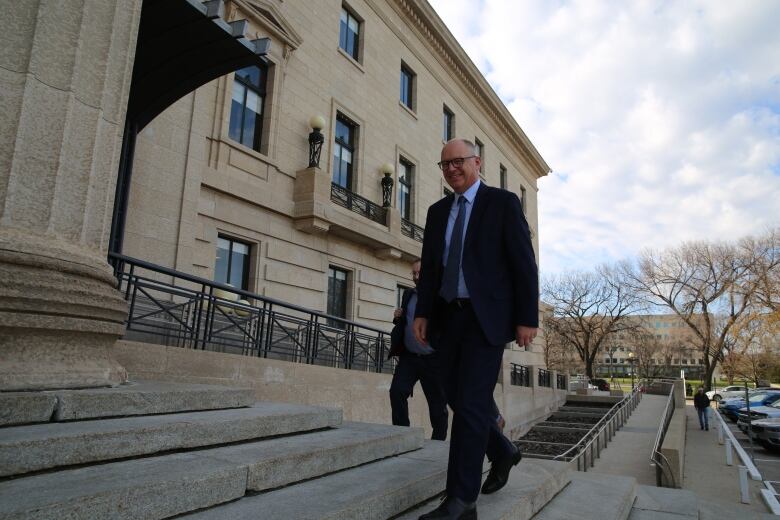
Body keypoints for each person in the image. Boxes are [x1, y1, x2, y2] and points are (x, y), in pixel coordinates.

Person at [413, 139, 539, 520]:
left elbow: (523, 263)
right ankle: (502, 451)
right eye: (445, 164)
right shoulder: (437, 212)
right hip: (446, 317)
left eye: (458, 162)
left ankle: (461, 500)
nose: (452, 169)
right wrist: (422, 311)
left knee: (469, 404)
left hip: (486, 319)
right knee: (455, 395)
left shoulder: (502, 203)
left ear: (477, 162)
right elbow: (431, 267)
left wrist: (527, 317)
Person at [388, 261, 449, 441]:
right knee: (397, 392)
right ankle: (402, 435)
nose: (415, 277)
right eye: (413, 274)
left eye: (419, 273)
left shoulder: (441, 296)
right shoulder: (408, 294)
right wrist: (397, 317)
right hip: (409, 357)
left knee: (437, 407)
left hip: (433, 360)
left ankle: (438, 443)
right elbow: (407, 319)